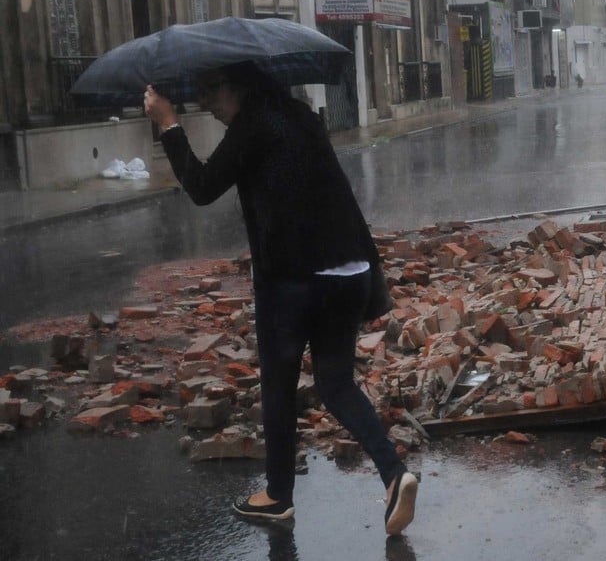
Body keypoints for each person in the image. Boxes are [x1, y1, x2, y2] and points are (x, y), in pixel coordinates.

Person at [143, 63, 419, 536]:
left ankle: (277, 495)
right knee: (336, 385)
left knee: (278, 386)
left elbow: (203, 187)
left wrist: (169, 125)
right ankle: (395, 475)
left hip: (296, 281)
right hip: (349, 271)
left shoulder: (254, 124)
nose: (205, 102)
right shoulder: (299, 116)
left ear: (240, 85)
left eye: (210, 89)